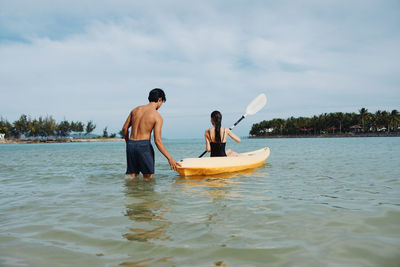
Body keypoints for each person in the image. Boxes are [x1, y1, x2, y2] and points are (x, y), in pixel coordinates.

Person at [122, 88, 180, 179]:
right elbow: (157, 140)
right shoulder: (157, 116)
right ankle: (146, 193)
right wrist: (170, 158)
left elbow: (124, 129)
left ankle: (131, 193)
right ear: (160, 100)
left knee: (131, 177)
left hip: (131, 145)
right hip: (144, 146)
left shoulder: (135, 110)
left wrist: (127, 142)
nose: (161, 105)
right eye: (162, 103)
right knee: (148, 178)